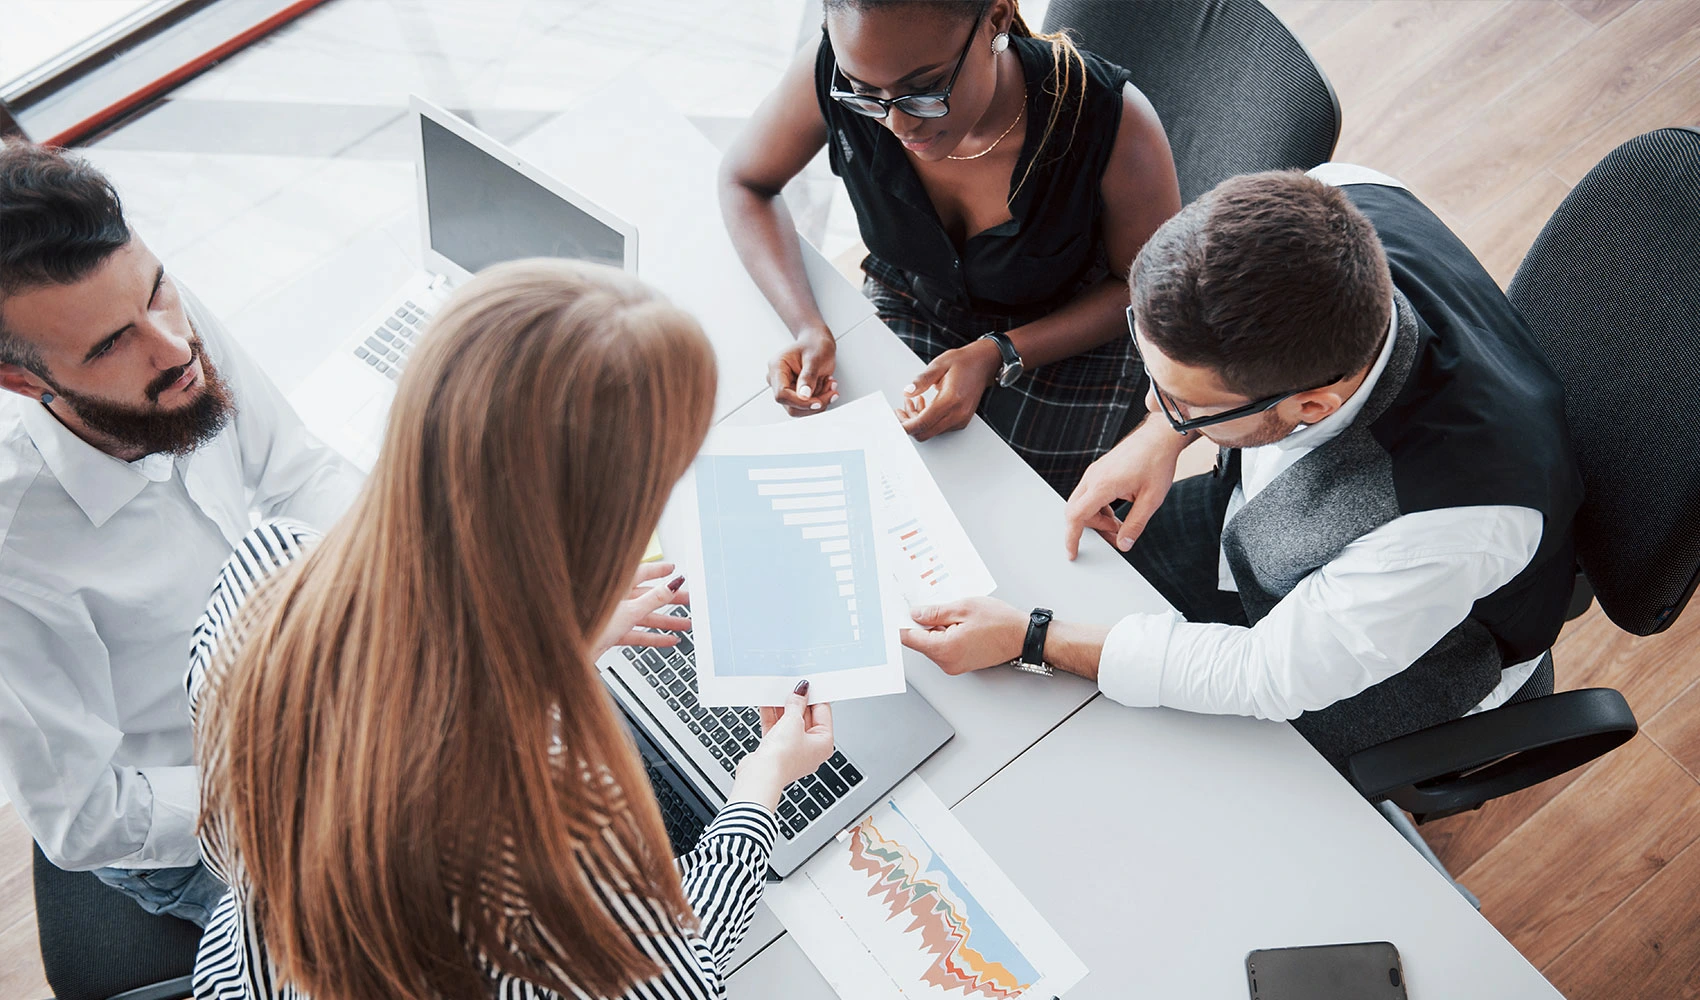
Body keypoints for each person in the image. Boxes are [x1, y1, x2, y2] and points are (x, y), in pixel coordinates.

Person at [189, 259, 837, 1000]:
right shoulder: (553, 822)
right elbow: (676, 987)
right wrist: (759, 787)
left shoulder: (263, 574)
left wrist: (559, 643)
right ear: (592, 535)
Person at [899, 167, 1583, 767]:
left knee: (1127, 766)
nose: (1152, 402)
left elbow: (1267, 675)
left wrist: (1034, 640)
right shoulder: (1337, 192)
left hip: (1411, 658)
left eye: (1189, 404)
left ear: (1313, 403)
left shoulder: (1451, 519)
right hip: (1262, 533)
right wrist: (1164, 431)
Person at [0, 140, 361, 924]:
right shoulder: (13, 557)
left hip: (301, 679)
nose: (172, 349)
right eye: (108, 347)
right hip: (215, 807)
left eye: (158, 290)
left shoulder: (153, 321)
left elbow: (297, 471)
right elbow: (87, 818)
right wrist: (317, 772)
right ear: (24, 381)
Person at [721, 0, 1180, 495]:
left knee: (1010, 517)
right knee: (867, 482)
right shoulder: (838, 69)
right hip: (918, 300)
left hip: (1065, 339)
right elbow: (746, 182)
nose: (899, 125)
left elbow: (1145, 290)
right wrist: (807, 326)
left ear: (997, 20)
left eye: (923, 89)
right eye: (865, 93)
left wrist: (997, 353)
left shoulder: (1111, 119)